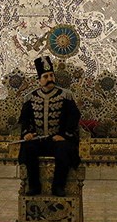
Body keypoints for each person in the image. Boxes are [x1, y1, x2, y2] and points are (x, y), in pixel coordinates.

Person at [18, 56, 81, 196]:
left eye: (51, 75)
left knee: (64, 149)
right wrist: (27, 133)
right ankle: (34, 187)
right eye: (45, 77)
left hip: (58, 139)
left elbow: (74, 117)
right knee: (28, 148)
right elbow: (25, 119)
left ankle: (58, 187)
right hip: (38, 140)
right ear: (39, 80)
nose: (50, 79)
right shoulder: (30, 97)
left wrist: (64, 135)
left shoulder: (66, 95)